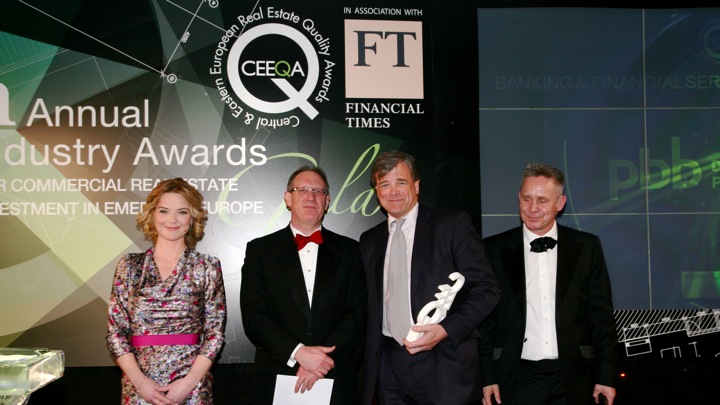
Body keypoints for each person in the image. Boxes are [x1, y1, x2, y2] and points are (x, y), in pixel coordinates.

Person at [360, 150, 501, 405]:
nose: (393, 191)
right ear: (377, 191)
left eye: (401, 182)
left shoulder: (451, 224)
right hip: (388, 367)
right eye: (385, 184)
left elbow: (487, 288)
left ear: (416, 185)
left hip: (444, 363)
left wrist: (446, 330)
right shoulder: (369, 241)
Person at [479, 163, 618, 405]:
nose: (533, 208)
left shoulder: (587, 247)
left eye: (542, 200)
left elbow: (601, 317)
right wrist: (486, 376)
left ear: (560, 203)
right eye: (526, 199)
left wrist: (605, 376)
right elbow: (484, 320)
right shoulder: (492, 250)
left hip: (574, 376)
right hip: (514, 377)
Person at [240, 165, 366, 405]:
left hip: (334, 376)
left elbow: (358, 314)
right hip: (277, 374)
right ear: (288, 198)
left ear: (327, 202)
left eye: (319, 191)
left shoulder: (351, 251)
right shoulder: (260, 250)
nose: (311, 196)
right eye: (302, 190)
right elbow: (254, 315)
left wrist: (321, 362)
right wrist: (298, 352)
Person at [106, 178, 227, 404]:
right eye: (164, 211)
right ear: (152, 215)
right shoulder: (129, 266)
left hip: (192, 388)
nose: (172, 220)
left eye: (182, 212)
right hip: (139, 387)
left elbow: (215, 334)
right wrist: (140, 383)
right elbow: (116, 333)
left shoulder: (207, 267)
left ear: (192, 218)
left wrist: (188, 383)